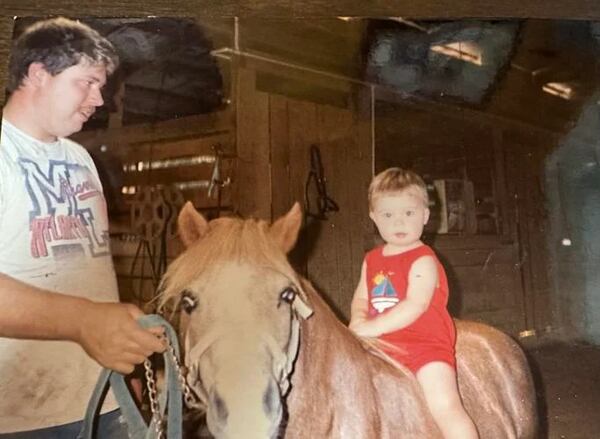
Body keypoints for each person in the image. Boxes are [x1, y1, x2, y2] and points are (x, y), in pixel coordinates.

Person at [0, 17, 165, 437]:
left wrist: (119, 355)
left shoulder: (80, 159)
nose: (100, 99)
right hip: (19, 414)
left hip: (102, 398)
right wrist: (85, 322)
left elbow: (94, 272)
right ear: (38, 74)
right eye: (88, 82)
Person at [349, 168, 479, 439]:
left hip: (423, 344)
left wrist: (369, 328)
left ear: (425, 216)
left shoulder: (423, 259)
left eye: (408, 213)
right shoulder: (371, 259)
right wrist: (357, 321)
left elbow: (414, 305)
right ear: (373, 217)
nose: (398, 223)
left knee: (445, 405)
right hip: (380, 342)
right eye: (388, 215)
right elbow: (362, 296)